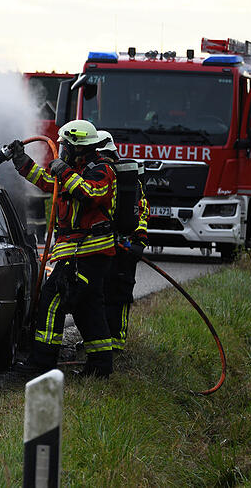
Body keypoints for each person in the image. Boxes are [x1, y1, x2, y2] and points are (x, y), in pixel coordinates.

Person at [8, 120, 117, 378]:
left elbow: (90, 194)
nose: (61, 149)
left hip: (89, 253)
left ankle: (41, 363)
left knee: (53, 299)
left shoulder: (103, 170)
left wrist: (65, 172)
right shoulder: (76, 169)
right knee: (88, 309)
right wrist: (22, 162)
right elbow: (48, 182)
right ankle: (100, 368)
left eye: (65, 145)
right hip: (79, 253)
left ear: (78, 147)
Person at [95, 132, 148, 352]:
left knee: (117, 295)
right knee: (108, 294)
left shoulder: (122, 177)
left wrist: (138, 240)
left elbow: (141, 208)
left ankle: (115, 343)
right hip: (113, 246)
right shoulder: (108, 174)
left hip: (122, 246)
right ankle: (106, 343)